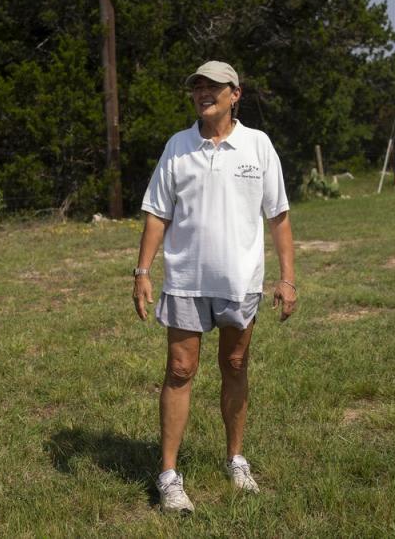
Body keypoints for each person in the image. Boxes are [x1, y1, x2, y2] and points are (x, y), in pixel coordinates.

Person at [132, 60, 297, 514]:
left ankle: (235, 459)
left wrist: (287, 279)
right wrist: (143, 273)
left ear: (235, 94)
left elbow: (278, 217)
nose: (204, 93)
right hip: (185, 281)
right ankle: (169, 475)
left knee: (236, 363)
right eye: (198, 87)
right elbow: (156, 214)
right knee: (180, 370)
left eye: (214, 87)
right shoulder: (177, 147)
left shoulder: (258, 146)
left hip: (240, 282)